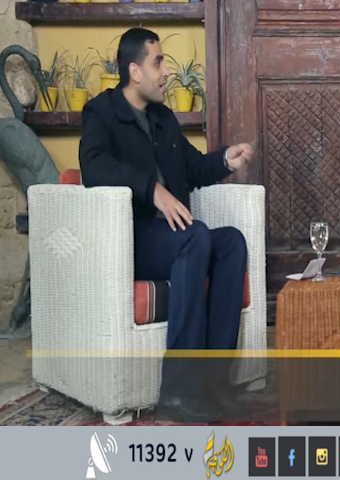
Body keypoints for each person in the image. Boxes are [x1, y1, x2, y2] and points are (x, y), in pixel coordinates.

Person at [79, 27, 253, 422]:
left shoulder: (163, 117)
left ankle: (215, 383)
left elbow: (192, 167)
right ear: (134, 71)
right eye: (158, 63)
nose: (166, 72)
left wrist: (225, 160)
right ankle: (178, 390)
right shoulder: (101, 112)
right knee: (196, 236)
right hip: (133, 240)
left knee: (231, 242)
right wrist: (152, 190)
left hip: (176, 238)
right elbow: (93, 167)